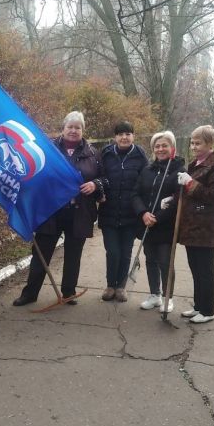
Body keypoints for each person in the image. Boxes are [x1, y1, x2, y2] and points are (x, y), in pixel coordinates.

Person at [13, 110, 104, 306]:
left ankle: (68, 292)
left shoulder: (93, 153)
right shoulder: (48, 149)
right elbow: (35, 172)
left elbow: (104, 178)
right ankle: (30, 293)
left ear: (83, 130)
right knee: (41, 254)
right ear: (63, 129)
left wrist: (95, 184)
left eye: (77, 127)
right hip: (50, 211)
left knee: (73, 256)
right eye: (70, 127)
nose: (73, 131)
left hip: (79, 212)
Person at [177, 124, 214, 324]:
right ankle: (198, 306)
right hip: (191, 226)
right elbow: (187, 193)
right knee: (195, 268)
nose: (193, 147)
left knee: (205, 270)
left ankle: (208, 311)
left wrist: (190, 183)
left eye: (198, 143)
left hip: (207, 227)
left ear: (210, 143)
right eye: (192, 143)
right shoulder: (194, 164)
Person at [132, 131, 185, 313]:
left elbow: (178, 200)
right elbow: (136, 194)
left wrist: (158, 217)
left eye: (164, 145)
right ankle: (155, 294)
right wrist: (143, 213)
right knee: (150, 260)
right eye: (157, 146)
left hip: (166, 225)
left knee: (165, 262)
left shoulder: (179, 171)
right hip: (147, 224)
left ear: (172, 148)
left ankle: (168, 297)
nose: (161, 149)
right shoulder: (147, 170)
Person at [97, 121, 148, 302]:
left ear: (133, 136)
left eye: (128, 134)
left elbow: (146, 183)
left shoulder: (140, 156)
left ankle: (121, 287)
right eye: (120, 134)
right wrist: (99, 193)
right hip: (109, 212)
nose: (124, 137)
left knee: (126, 253)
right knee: (113, 252)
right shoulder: (106, 154)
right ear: (115, 137)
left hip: (130, 214)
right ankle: (110, 285)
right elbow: (98, 177)